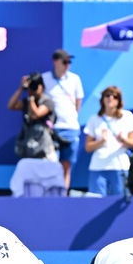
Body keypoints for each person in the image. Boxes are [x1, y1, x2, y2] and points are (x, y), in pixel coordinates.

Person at [83, 87, 133, 195]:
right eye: (107, 95)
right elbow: (88, 147)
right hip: (98, 166)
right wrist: (101, 141)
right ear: (102, 99)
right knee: (96, 201)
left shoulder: (127, 116)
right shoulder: (94, 119)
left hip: (120, 166)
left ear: (119, 100)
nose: (110, 98)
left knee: (120, 199)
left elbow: (132, 143)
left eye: (115, 96)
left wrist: (122, 139)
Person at [42, 49, 84, 190]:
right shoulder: (45, 78)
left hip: (71, 128)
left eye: (69, 62)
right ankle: (51, 196)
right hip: (52, 129)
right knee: (52, 164)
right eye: (64, 62)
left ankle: (64, 196)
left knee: (66, 165)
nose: (67, 65)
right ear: (55, 62)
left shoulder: (75, 79)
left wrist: (72, 117)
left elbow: (78, 101)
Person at [8, 72, 57, 162]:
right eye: (31, 87)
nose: (32, 89)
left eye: (35, 86)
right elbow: (11, 106)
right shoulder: (26, 101)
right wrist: (21, 88)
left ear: (41, 86)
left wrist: (31, 98)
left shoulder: (47, 101)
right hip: (28, 148)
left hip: (44, 150)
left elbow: (36, 115)